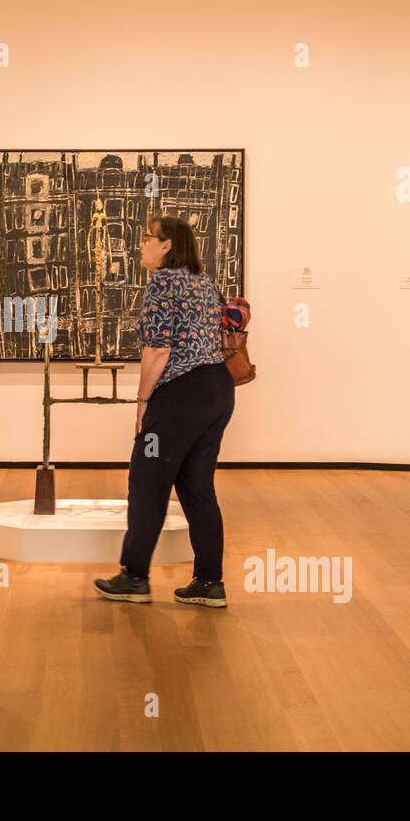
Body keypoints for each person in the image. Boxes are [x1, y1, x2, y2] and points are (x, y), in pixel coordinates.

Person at [94, 215, 251, 607]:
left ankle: (133, 577)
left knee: (147, 481)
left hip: (179, 397)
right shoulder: (204, 282)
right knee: (198, 489)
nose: (140, 245)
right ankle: (209, 582)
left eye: (147, 238)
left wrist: (144, 401)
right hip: (216, 392)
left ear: (167, 246)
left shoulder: (161, 286)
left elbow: (158, 351)